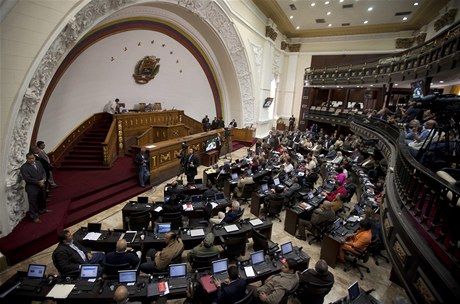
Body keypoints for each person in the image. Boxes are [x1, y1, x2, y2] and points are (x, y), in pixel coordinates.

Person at [20, 152, 49, 223]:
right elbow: (27, 178)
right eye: (29, 159)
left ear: (35, 157)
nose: (31, 160)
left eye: (32, 158)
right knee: (32, 202)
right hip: (32, 187)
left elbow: (43, 172)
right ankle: (34, 217)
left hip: (41, 184)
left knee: (42, 198)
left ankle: (42, 210)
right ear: (26, 159)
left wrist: (44, 179)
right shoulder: (23, 167)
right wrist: (38, 182)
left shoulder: (38, 162)